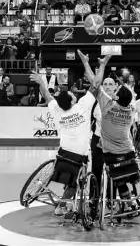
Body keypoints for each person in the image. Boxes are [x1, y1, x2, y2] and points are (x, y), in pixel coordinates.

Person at [78, 51, 139, 205]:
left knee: (115, 173)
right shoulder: (123, 104)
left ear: (116, 87)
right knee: (96, 171)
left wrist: (93, 65)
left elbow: (95, 84)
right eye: (104, 83)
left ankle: (111, 200)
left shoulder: (107, 103)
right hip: (99, 139)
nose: (107, 86)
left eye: (111, 84)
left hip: (113, 144)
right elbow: (96, 85)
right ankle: (94, 199)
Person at [30, 71, 95, 216]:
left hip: (63, 155)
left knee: (71, 179)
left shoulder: (56, 110)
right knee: (77, 182)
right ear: (72, 102)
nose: (74, 95)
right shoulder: (82, 107)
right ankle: (64, 205)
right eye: (73, 96)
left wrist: (41, 82)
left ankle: (63, 204)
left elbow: (47, 95)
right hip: (81, 156)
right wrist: (87, 64)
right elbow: (95, 86)